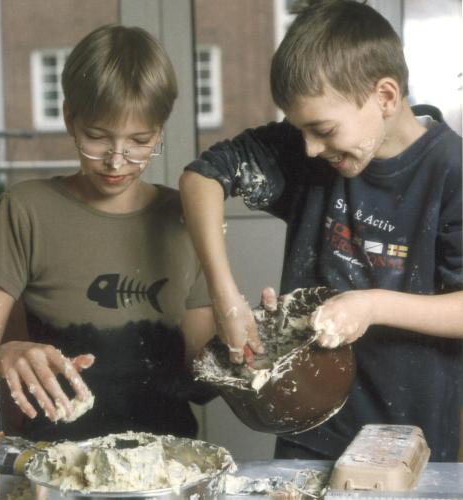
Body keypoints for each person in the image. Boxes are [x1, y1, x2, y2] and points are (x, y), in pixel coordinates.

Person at [179, 0, 463, 461]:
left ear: (386, 97)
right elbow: (200, 178)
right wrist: (225, 296)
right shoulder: (308, 151)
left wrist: (371, 305)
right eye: (300, 131)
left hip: (409, 435)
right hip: (308, 430)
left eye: (323, 129)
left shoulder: (452, 173)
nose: (310, 149)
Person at [0, 24, 216, 442]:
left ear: (161, 128)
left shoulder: (185, 215)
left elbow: (203, 381)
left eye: (139, 141)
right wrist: (5, 353)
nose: (117, 161)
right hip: (56, 456)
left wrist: (246, 354)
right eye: (97, 138)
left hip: (171, 458)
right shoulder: (27, 208)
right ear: (69, 118)